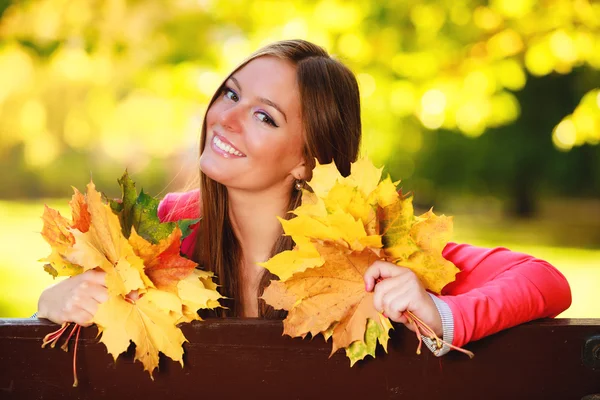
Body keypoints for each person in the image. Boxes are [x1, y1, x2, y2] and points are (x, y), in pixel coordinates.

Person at [36, 39, 571, 356]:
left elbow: (543, 280)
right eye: (232, 93)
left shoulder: (366, 245)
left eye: (264, 115)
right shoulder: (173, 228)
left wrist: (440, 314)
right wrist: (52, 305)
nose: (227, 117)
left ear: (304, 159)